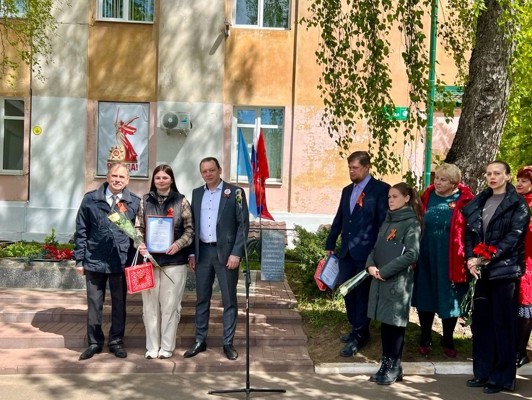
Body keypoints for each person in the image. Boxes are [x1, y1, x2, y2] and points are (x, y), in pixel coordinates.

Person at [462, 160, 529, 394]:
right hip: (481, 271)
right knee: (482, 324)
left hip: (505, 271)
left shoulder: (518, 205)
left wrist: (486, 256)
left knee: (503, 325)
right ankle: (483, 373)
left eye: (497, 173)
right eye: (489, 173)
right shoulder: (480, 201)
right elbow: (470, 234)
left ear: (507, 176)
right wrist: (470, 258)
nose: (492, 177)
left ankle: (502, 378)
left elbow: (514, 237)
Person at [183, 157, 249, 361]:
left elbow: (243, 225)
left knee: (229, 300)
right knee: (202, 299)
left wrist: (236, 252)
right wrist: (192, 253)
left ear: (219, 170)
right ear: (201, 173)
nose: (208, 174)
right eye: (204, 171)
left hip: (226, 255)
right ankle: (200, 340)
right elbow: (192, 225)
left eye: (212, 170)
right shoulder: (197, 193)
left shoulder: (235, 192)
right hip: (203, 253)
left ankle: (228, 343)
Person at [325, 151, 390, 357]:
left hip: (366, 254)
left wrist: (378, 253)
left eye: (355, 168)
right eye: (349, 168)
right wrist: (330, 242)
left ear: (367, 167)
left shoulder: (381, 190)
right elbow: (340, 218)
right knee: (347, 291)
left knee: (362, 295)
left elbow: (382, 224)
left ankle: (359, 335)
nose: (351, 172)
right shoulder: (347, 190)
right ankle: (356, 327)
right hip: (346, 252)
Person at [74, 162, 140, 360]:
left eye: (122, 177)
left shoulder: (134, 202)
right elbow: (81, 230)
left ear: (128, 180)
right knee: (94, 304)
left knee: (119, 304)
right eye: (114, 176)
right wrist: (79, 260)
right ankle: (94, 343)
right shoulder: (90, 199)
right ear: (107, 177)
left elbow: (138, 232)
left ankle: (116, 341)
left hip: (120, 261)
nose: (117, 180)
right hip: (94, 258)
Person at [412, 164, 474, 357]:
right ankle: (425, 337)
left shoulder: (465, 200)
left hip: (451, 258)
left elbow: (471, 230)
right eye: (436, 178)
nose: (437, 182)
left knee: (450, 297)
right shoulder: (427, 196)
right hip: (426, 255)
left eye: (443, 179)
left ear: (454, 183)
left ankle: (448, 338)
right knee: (425, 295)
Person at [135, 164, 194, 359]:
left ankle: (167, 347)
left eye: (165, 178)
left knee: (170, 306)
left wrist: (178, 244)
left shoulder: (181, 201)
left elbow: (190, 230)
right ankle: (152, 347)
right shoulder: (145, 200)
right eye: (158, 178)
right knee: (149, 307)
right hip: (149, 262)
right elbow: (138, 228)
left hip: (174, 262)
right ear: (154, 180)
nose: (161, 181)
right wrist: (140, 244)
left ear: (171, 180)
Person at [366, 182, 422, 385]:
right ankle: (386, 363)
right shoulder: (388, 220)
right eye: (389, 197)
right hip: (380, 278)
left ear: (407, 198)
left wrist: (385, 271)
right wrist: (370, 266)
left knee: (395, 323)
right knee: (385, 323)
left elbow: (412, 254)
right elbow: (376, 248)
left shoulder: (412, 223)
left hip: (397, 281)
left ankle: (395, 366)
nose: (390, 200)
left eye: (395, 196)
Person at [515, 166, 532, 368]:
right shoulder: (513, 201)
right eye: (518, 180)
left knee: (525, 306)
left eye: (524, 181)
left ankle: (521, 351)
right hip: (512, 259)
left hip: (528, 261)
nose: (519, 183)